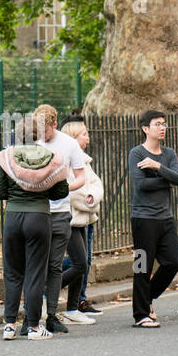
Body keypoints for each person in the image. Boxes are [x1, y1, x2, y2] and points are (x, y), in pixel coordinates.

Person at [0, 117, 69, 340]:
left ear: (17, 135)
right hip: (39, 216)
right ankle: (34, 326)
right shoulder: (49, 157)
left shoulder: (8, 157)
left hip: (13, 217)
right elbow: (61, 192)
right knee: (35, 273)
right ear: (39, 135)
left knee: (12, 272)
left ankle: (9, 325)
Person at [35, 104, 87, 333]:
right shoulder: (30, 141)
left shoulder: (69, 144)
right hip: (36, 211)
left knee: (55, 266)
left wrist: (63, 188)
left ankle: (52, 315)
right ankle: (34, 315)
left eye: (44, 130)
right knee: (37, 265)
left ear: (54, 125)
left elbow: (81, 177)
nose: (40, 135)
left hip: (60, 211)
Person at [129, 109, 178, 328]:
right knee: (142, 266)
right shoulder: (137, 154)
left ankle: (146, 298)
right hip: (143, 219)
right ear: (145, 129)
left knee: (173, 263)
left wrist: (157, 166)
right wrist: (165, 178)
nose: (162, 127)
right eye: (157, 124)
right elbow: (141, 185)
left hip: (166, 219)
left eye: (164, 123)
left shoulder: (168, 154)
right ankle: (140, 314)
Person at [60, 118, 103, 321]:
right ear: (72, 138)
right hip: (70, 219)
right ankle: (44, 291)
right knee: (80, 263)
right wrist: (91, 201)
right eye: (84, 133)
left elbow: (97, 184)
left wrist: (92, 197)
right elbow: (73, 193)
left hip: (85, 218)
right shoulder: (65, 161)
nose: (88, 137)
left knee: (83, 262)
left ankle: (73, 308)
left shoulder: (84, 160)